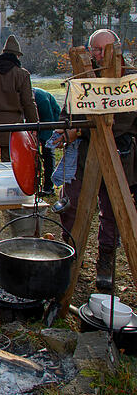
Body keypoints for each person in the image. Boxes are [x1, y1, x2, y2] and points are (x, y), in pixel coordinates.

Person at [57, 29, 137, 291]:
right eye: (96, 49)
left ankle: (105, 261)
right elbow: (67, 114)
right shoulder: (84, 78)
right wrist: (65, 130)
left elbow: (125, 121)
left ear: (117, 49)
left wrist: (81, 130)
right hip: (84, 154)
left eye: (104, 49)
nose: (99, 55)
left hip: (118, 154)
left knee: (113, 212)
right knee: (71, 204)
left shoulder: (131, 81)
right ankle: (69, 254)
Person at [33, 87, 61, 196]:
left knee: (47, 152)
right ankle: (34, 184)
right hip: (37, 120)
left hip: (50, 120)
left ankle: (49, 187)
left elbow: (49, 121)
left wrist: (42, 139)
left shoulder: (42, 99)